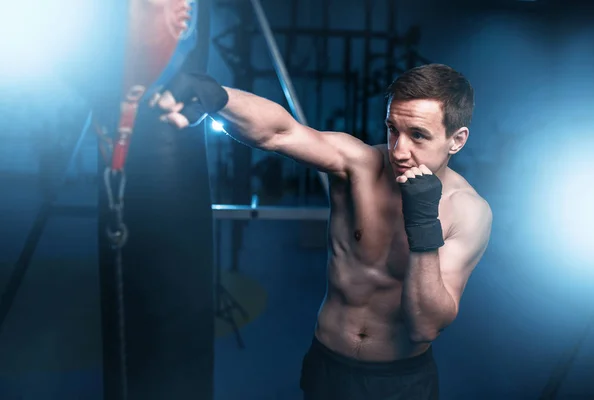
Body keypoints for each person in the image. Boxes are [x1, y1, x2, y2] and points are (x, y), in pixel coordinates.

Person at [151, 63, 493, 400]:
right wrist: (216, 96)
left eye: (417, 135)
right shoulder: (360, 166)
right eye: (392, 129)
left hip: (400, 382)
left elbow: (425, 326)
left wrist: (422, 221)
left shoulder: (468, 212)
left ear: (456, 140)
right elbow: (280, 133)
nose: (399, 150)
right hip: (328, 366)